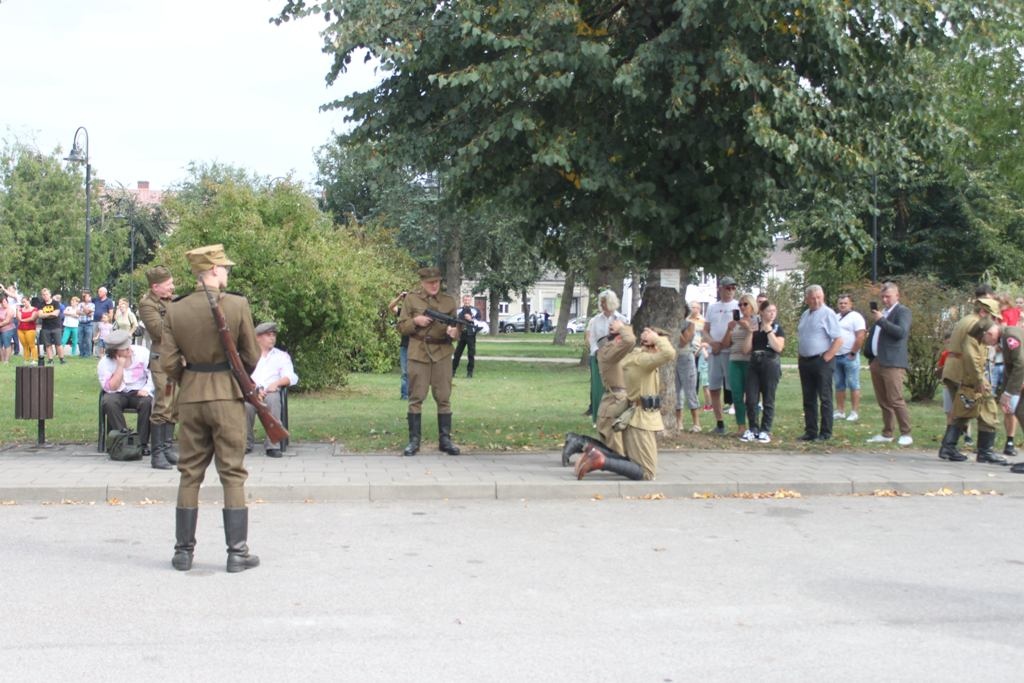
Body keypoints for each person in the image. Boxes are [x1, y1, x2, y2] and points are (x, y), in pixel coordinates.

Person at [161, 244, 262, 573]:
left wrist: (190, 378)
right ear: (214, 270)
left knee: (189, 474)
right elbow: (251, 355)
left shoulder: (175, 310)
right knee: (232, 473)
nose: (227, 272)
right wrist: (234, 375)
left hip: (191, 397)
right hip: (227, 396)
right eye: (224, 267)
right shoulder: (236, 304)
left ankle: (183, 552)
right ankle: (237, 553)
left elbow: (169, 362)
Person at [575, 326, 677, 480]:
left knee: (634, 462)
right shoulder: (642, 361)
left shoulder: (638, 358)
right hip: (642, 420)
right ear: (655, 345)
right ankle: (600, 459)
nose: (664, 345)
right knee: (647, 473)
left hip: (638, 416)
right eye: (662, 342)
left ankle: (596, 453)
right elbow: (669, 353)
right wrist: (656, 338)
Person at [397, 267, 461, 456]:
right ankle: (414, 441)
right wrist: (415, 321)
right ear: (422, 283)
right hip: (419, 352)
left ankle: (445, 440)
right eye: (430, 282)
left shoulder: (448, 301)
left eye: (437, 282)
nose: (434, 285)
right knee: (416, 397)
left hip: (441, 352)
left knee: (444, 397)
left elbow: (456, 329)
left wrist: (454, 332)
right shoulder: (411, 299)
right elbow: (401, 327)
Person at [561, 319, 636, 465]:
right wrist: (622, 328)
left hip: (614, 399)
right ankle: (579, 444)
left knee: (612, 439)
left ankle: (578, 443)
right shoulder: (609, 352)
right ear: (617, 339)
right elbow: (630, 340)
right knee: (615, 444)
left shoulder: (613, 351)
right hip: (616, 400)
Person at [940, 317, 1008, 465]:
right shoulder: (974, 337)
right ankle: (984, 452)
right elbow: (972, 359)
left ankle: (949, 446)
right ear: (988, 333)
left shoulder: (977, 335)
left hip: (972, 381)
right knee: (986, 412)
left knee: (964, 412)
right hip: (972, 382)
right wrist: (979, 380)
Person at [137, 266, 178, 470]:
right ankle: (157, 454)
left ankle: (168, 448)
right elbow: (159, 330)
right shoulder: (147, 304)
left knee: (174, 405)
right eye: (168, 284)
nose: (173, 287)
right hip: (162, 360)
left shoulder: (173, 300)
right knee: (163, 403)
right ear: (155, 287)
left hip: (178, 358)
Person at [864, 282, 914, 446]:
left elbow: (900, 332)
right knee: (883, 400)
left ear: (897, 296)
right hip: (878, 360)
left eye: (888, 297)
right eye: (883, 297)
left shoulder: (902, 311)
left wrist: (881, 321)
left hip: (893, 362)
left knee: (895, 398)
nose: (885, 300)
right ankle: (887, 432)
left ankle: (906, 432)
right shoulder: (883, 313)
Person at [796, 285, 843, 442]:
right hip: (805, 361)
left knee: (825, 397)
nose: (816, 300)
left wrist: (827, 357)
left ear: (823, 297)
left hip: (821, 360)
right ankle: (810, 431)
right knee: (808, 398)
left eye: (819, 297)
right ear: (807, 299)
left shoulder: (828, 314)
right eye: (813, 298)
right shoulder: (805, 315)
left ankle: (825, 432)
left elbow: (838, 339)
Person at [245, 321, 298, 458]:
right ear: (257, 338)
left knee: (274, 400)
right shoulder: (247, 356)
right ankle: (245, 444)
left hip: (271, 392)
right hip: (251, 393)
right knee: (245, 406)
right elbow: (240, 377)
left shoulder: (281, 356)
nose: (272, 338)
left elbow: (291, 377)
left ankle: (272, 445)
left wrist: (277, 383)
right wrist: (254, 390)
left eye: (274, 335)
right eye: (268, 335)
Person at [98, 329, 154, 454]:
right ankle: (124, 439)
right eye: (124, 349)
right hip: (118, 392)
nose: (129, 350)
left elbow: (153, 374)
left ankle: (142, 443)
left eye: (128, 346)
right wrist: (120, 366)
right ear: (115, 352)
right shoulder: (105, 363)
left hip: (139, 390)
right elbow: (111, 388)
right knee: (108, 402)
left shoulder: (142, 353)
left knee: (147, 403)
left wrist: (146, 389)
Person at [742, 299, 785, 443]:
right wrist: (749, 332)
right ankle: (753, 428)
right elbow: (745, 350)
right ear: (761, 312)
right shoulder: (755, 326)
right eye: (769, 311)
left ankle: (765, 430)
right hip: (754, 362)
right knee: (751, 398)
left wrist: (769, 331)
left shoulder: (777, 327)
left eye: (774, 311)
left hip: (770, 362)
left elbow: (778, 347)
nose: (772, 314)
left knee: (768, 398)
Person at [584, 290, 628, 424]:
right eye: (601, 303)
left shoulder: (622, 319)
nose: (602, 305)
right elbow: (592, 339)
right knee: (598, 388)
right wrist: (596, 352)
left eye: (605, 302)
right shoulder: (595, 320)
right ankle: (597, 418)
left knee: (616, 387)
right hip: (598, 356)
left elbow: (626, 339)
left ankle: (616, 416)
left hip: (616, 357)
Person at [704, 277, 741, 435]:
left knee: (735, 388)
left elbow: (739, 329)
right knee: (713, 387)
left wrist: (724, 344)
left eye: (733, 288)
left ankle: (741, 424)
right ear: (721, 288)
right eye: (728, 288)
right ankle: (719, 423)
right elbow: (705, 329)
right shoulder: (712, 307)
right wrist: (712, 343)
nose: (731, 291)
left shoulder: (738, 306)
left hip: (730, 351)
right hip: (715, 351)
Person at [723, 293, 756, 440]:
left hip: (749, 361)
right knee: (736, 394)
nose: (742, 308)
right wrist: (729, 329)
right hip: (734, 359)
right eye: (740, 305)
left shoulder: (756, 321)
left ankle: (754, 426)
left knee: (751, 396)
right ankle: (741, 426)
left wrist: (748, 328)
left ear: (752, 306)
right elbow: (726, 344)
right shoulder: (736, 322)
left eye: (745, 304)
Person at [833, 293, 866, 422]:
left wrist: (853, 352)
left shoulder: (856, 317)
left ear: (850, 304)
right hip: (836, 356)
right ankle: (840, 410)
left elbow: (860, 336)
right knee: (839, 384)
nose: (842, 305)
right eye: (840, 303)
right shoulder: (836, 317)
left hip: (849, 355)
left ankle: (854, 412)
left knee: (853, 383)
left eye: (845, 303)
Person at [996, 323, 1024, 474]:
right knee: (1020, 411)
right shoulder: (1006, 336)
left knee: (1021, 411)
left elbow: (1020, 363)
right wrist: (1005, 393)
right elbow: (1010, 368)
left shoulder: (1010, 336)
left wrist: (1008, 393)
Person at [674, 306, 702, 433]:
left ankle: (696, 422)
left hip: (686, 357)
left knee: (690, 390)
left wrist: (675, 329)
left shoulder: (690, 324)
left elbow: (684, 341)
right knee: (676, 392)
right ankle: (678, 421)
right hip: (673, 358)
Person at [451, 294, 481, 378]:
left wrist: (471, 319)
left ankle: (469, 373)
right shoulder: (458, 310)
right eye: (465, 300)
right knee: (457, 354)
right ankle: (452, 371)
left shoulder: (475, 310)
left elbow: (479, 322)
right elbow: (454, 321)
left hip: (471, 334)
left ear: (470, 300)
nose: (467, 301)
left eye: (468, 300)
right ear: (463, 300)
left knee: (471, 354)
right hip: (461, 334)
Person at [388, 291, 410, 400]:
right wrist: (399, 297)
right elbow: (391, 307)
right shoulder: (402, 312)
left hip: (417, 346)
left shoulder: (418, 313)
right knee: (405, 372)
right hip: (405, 345)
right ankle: (405, 395)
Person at [37, 288, 65, 365]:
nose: (45, 296)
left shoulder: (56, 303)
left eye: (46, 294)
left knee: (58, 344)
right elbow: (40, 315)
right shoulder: (41, 304)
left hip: (56, 326)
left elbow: (56, 314)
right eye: (43, 295)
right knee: (48, 345)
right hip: (46, 327)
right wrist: (50, 314)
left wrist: (45, 315)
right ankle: (50, 359)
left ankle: (62, 359)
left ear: (50, 294)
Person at [16, 296, 38, 365]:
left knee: (31, 345)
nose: (24, 303)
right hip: (20, 329)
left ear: (29, 301)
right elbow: (18, 318)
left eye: (25, 302)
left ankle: (34, 359)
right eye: (22, 302)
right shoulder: (21, 309)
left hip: (30, 329)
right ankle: (26, 359)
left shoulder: (34, 309)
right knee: (24, 345)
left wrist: (22, 320)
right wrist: (17, 310)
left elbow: (32, 318)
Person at [78, 291, 95, 358]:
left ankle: (88, 354)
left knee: (88, 340)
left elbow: (90, 313)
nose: (85, 297)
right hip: (80, 323)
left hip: (89, 324)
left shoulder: (92, 305)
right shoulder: (80, 304)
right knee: (80, 340)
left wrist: (84, 309)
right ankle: (82, 353)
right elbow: (77, 312)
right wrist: (86, 312)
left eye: (87, 296)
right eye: (84, 296)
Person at [0, 296, 16, 363]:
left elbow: (7, 321)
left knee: (7, 344)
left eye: (5, 302)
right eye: (2, 302)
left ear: (7, 302)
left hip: (8, 329)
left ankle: (6, 360)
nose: (4, 303)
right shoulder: (0, 309)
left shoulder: (10, 310)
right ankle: (2, 360)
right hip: (0, 329)